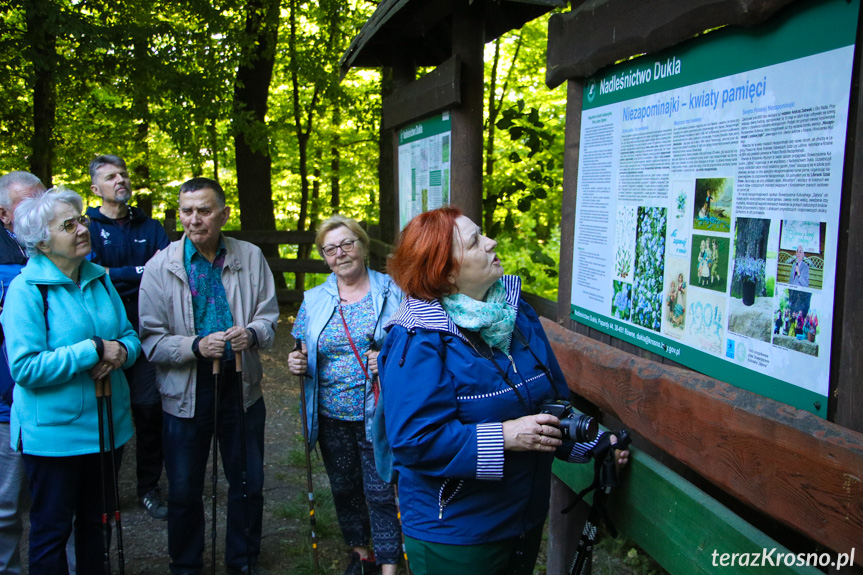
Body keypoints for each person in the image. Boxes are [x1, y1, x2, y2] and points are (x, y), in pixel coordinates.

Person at [377, 207, 629, 575]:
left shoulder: (516, 314)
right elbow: (414, 440)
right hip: (456, 534)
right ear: (445, 271)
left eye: (483, 234)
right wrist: (506, 436)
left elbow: (550, 403)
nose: (491, 242)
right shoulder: (418, 338)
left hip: (523, 519)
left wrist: (594, 444)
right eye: (475, 241)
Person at [139, 177, 278, 575]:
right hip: (185, 388)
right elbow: (151, 340)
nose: (194, 219)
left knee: (248, 480)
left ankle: (243, 561)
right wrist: (195, 346)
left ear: (223, 214)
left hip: (241, 383)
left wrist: (250, 333)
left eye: (204, 210)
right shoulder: (159, 266)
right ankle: (185, 565)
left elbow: (268, 319)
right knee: (183, 487)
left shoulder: (250, 257)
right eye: (187, 211)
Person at [1, 188, 140, 575]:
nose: (83, 228)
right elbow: (25, 368)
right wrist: (93, 349)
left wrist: (120, 352)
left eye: (82, 220)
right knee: (51, 531)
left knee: (98, 527)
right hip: (53, 438)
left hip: (109, 427)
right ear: (42, 240)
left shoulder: (100, 278)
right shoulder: (26, 291)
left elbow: (129, 337)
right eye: (69, 224)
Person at [288, 215, 403, 575]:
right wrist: (297, 362)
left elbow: (415, 346)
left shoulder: (394, 290)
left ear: (363, 246)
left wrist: (386, 358)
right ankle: (361, 553)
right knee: (344, 487)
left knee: (382, 490)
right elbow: (303, 347)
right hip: (331, 414)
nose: (341, 253)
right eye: (331, 248)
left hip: (378, 412)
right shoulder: (314, 299)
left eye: (347, 243)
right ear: (324, 256)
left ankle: (388, 563)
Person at [87, 154, 171, 519]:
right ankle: (103, 491)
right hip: (104, 339)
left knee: (149, 410)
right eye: (111, 176)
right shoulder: (85, 227)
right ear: (96, 188)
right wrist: (140, 270)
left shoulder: (150, 227)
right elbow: (89, 272)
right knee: (104, 412)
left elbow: (165, 269)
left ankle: (148, 487)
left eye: (123, 174)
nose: (120, 180)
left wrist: (113, 270)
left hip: (147, 333)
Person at [0, 171, 45, 575]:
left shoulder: (62, 245)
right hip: (4, 405)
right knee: (5, 508)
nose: (38, 212)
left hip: (55, 405)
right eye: (25, 204)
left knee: (56, 508)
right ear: (3, 214)